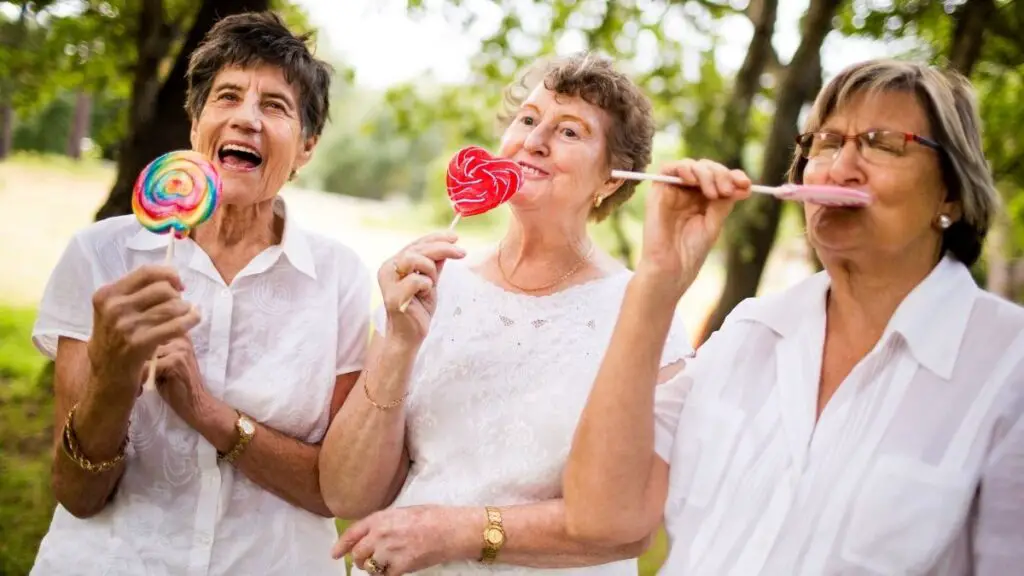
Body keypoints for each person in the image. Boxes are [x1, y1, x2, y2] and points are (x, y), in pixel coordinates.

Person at [564, 58, 1024, 575]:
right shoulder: (749, 332)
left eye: (882, 143)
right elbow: (599, 516)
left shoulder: (1009, 370)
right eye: (826, 143)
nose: (839, 167)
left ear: (952, 194)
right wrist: (656, 282)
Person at [319, 52, 692, 576]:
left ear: (610, 179)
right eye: (527, 119)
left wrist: (454, 532)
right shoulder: (433, 284)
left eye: (569, 131)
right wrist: (400, 344)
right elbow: (345, 494)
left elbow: (630, 528)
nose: (534, 141)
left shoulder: (643, 311)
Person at [29, 11, 370, 575]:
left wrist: (205, 411)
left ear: (306, 147)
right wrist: (113, 377)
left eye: (275, 106)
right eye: (227, 97)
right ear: (195, 125)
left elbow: (335, 492)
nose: (246, 119)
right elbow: (77, 494)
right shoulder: (101, 257)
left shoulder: (340, 278)